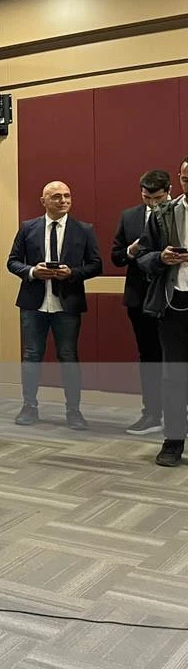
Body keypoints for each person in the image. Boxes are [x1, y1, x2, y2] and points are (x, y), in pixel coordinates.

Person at [7, 181, 102, 429]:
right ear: (44, 201)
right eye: (57, 196)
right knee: (31, 356)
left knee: (68, 357)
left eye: (67, 196)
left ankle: (73, 411)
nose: (63, 200)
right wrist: (32, 271)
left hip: (67, 303)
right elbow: (13, 261)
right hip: (33, 304)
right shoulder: (28, 228)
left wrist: (72, 273)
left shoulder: (84, 229)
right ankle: (29, 407)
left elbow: (96, 265)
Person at [136, 158, 188, 467]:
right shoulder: (164, 213)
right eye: (186, 179)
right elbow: (142, 256)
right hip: (174, 303)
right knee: (174, 377)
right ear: (179, 179)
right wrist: (161, 258)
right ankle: (173, 441)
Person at [112, 169, 170, 436]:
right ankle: (151, 414)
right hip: (139, 298)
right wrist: (131, 250)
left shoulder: (178, 213)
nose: (152, 203)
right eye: (147, 197)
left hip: (171, 297)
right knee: (148, 357)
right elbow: (116, 257)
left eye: (157, 198)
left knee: (177, 358)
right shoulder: (129, 216)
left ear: (168, 191)